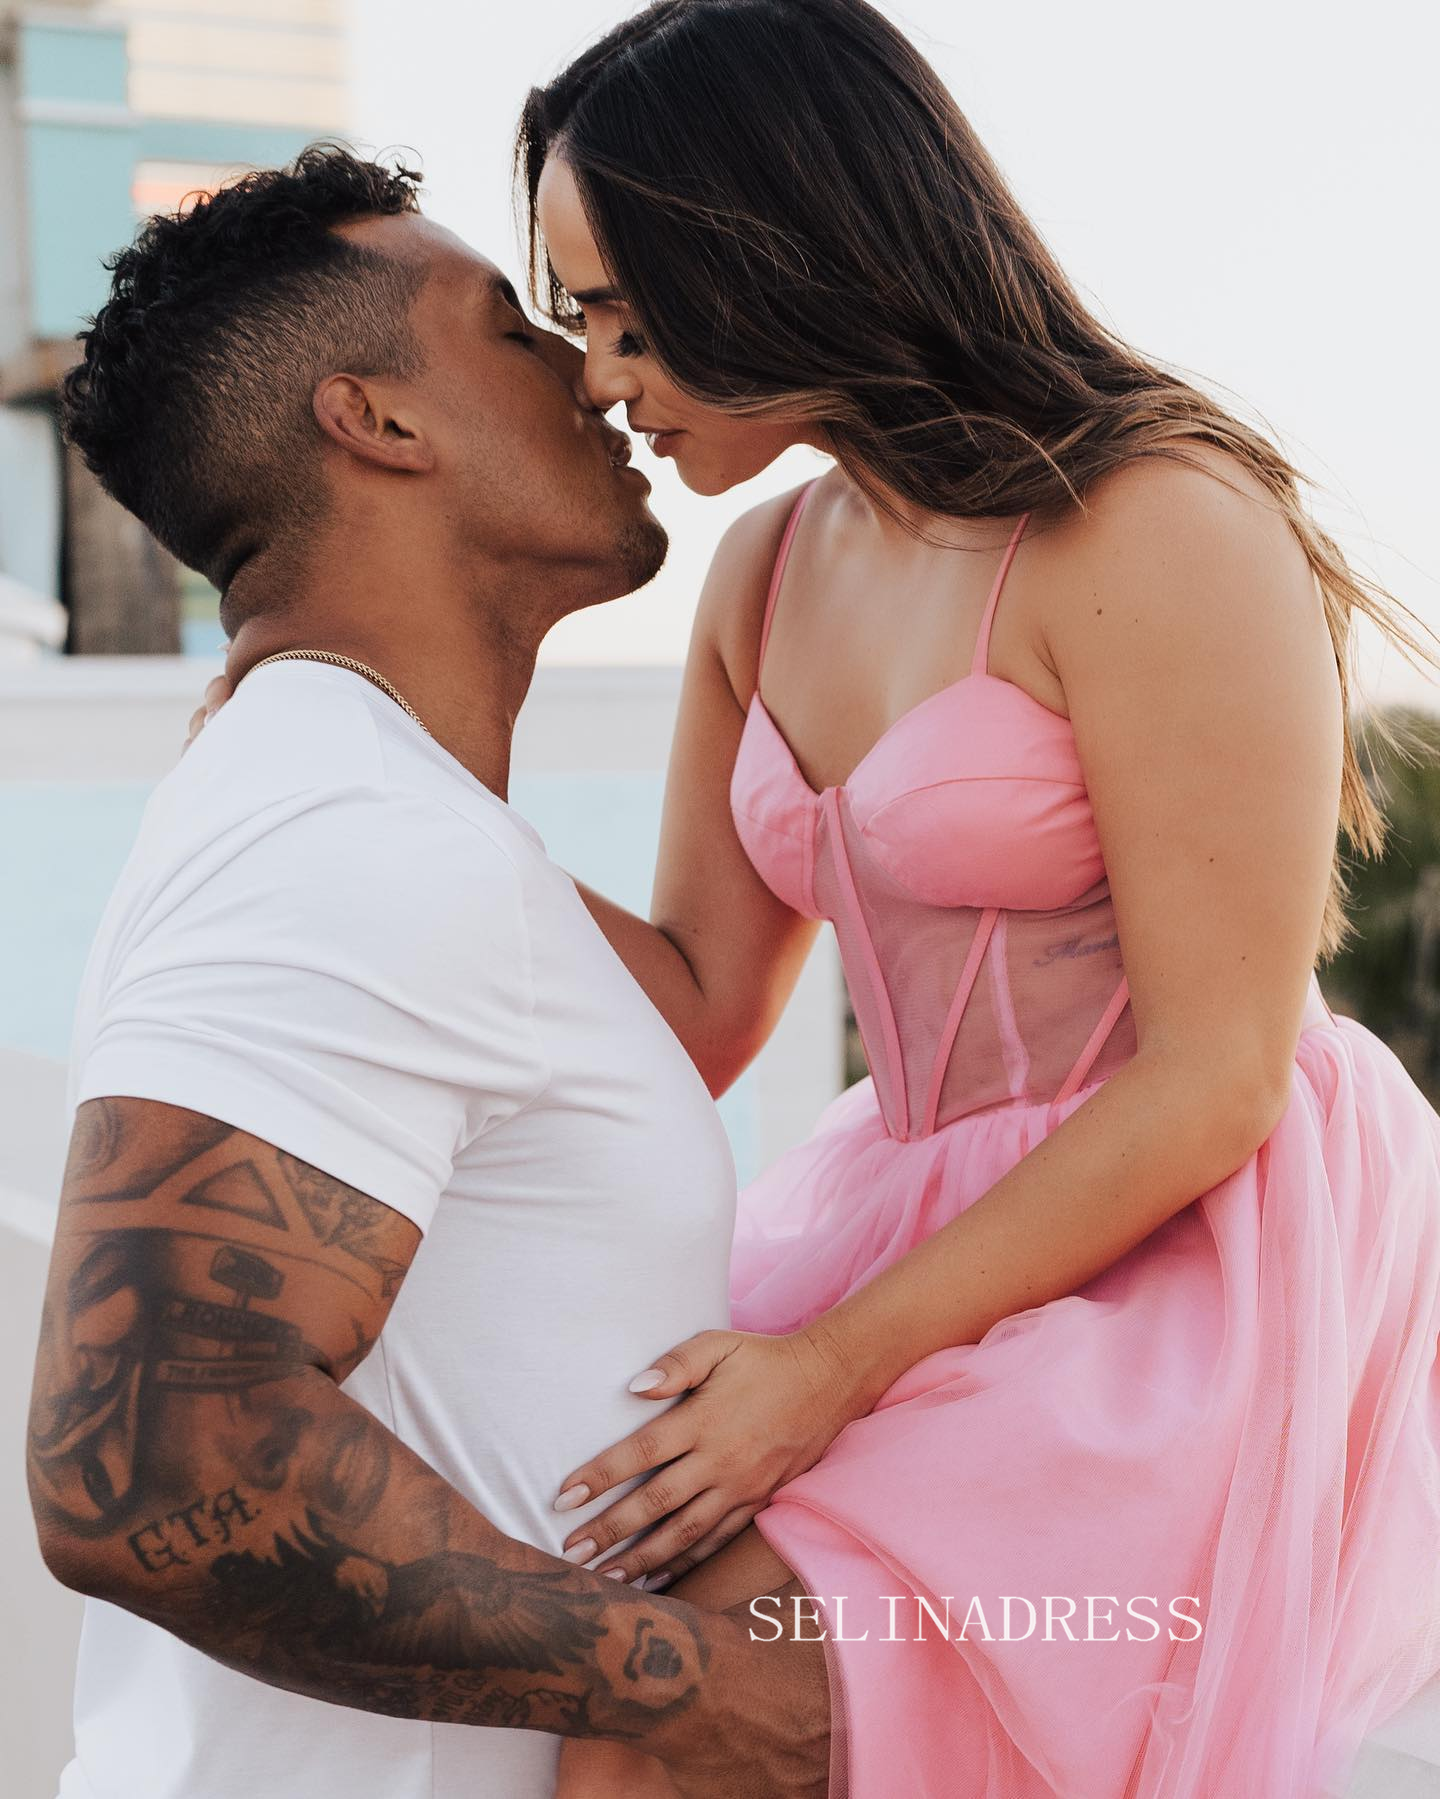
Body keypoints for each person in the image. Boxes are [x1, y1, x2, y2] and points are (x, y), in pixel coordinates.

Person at [505, 2, 1440, 1794]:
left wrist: (825, 1370)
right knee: (582, 1641)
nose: (604, 376)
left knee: (673, 1694)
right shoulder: (762, 570)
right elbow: (702, 998)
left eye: (633, 313)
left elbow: (1221, 1073)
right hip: (899, 1223)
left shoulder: (1157, 522)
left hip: (1177, 1260)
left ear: (776, 244)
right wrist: (402, 789)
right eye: (580, 319)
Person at [27, 146, 830, 1799]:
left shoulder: (385, 813)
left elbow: (703, 1001)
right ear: (377, 421)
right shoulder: (340, 821)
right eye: (516, 330)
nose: (594, 371)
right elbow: (147, 1456)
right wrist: (694, 1686)